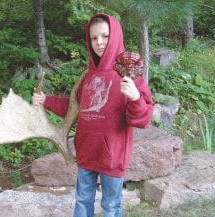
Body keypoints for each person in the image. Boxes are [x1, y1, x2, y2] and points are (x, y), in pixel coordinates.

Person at [32, 13, 154, 217]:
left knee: (110, 207)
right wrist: (46, 101)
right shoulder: (88, 76)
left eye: (105, 36)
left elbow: (142, 119)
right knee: (82, 202)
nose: (99, 43)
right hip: (87, 153)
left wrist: (135, 98)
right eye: (94, 38)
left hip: (112, 156)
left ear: (115, 36)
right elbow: (75, 109)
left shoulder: (130, 75)